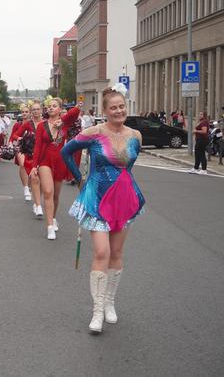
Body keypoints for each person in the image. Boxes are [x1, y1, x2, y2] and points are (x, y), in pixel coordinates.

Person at [61, 85, 145, 333]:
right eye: (114, 107)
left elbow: (129, 166)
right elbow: (66, 152)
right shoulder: (93, 133)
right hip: (96, 198)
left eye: (122, 106)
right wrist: (79, 178)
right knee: (101, 252)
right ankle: (97, 311)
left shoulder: (136, 136)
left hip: (124, 199)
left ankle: (110, 303)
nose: (119, 111)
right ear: (105, 111)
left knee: (117, 253)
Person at [30, 98, 81, 240]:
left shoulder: (65, 123)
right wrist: (34, 166)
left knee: (55, 196)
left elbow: (75, 113)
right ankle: (49, 227)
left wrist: (64, 118)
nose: (51, 108)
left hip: (60, 161)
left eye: (54, 106)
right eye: (49, 106)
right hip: (45, 161)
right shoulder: (41, 126)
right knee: (47, 191)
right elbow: (38, 146)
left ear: (60, 109)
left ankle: (53, 217)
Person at [10, 103, 44, 217]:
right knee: (35, 179)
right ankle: (37, 205)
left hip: (43, 155)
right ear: (31, 111)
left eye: (38, 109)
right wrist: (22, 138)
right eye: (33, 109)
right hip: (31, 153)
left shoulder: (46, 123)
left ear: (41, 110)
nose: (35, 111)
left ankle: (37, 200)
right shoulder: (28, 124)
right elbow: (15, 135)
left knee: (42, 182)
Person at [10, 105, 32, 201]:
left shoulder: (34, 124)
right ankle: (26, 188)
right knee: (22, 165)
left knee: (31, 168)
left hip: (32, 148)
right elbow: (13, 136)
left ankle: (30, 185)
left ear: (30, 113)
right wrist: (15, 140)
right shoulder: (17, 125)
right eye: (23, 112)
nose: (24, 113)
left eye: (26, 112)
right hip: (21, 147)